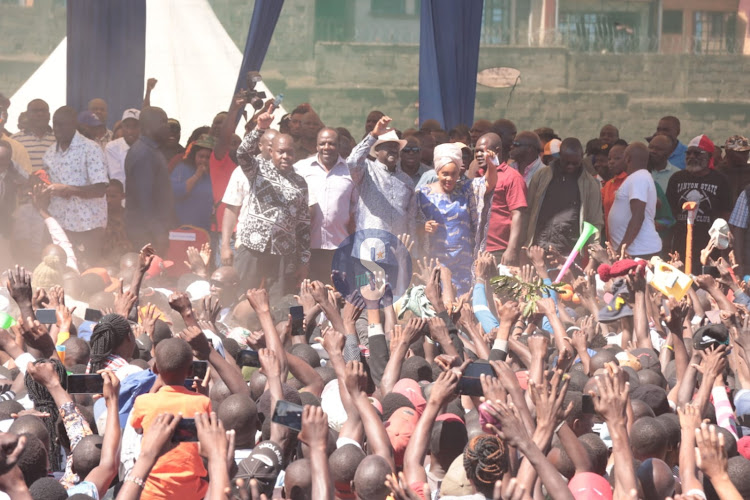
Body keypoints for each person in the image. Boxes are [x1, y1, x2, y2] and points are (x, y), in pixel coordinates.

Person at [221, 105, 310, 300]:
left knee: (279, 299)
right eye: (281, 152)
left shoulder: (300, 182)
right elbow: (242, 153)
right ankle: (238, 329)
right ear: (272, 152)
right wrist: (259, 129)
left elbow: (303, 225)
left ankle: (275, 330)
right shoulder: (257, 169)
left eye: (290, 152)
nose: (286, 156)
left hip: (282, 252)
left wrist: (304, 261)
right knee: (242, 295)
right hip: (252, 246)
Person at [129, 337, 211, 500]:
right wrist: (201, 394)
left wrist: (154, 386)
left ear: (155, 369)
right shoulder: (203, 402)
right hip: (191, 492)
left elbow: (137, 427)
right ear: (190, 371)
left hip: (151, 492)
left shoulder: (144, 401)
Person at [416, 142, 497, 295]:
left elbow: (488, 183)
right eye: (445, 174)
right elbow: (411, 224)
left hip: (463, 261)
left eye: (454, 174)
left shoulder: (466, 189)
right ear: (437, 171)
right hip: (436, 259)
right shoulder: (422, 193)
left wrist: (492, 165)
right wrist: (423, 227)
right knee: (439, 301)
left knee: (463, 303)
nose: (449, 178)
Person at [43, 106, 108, 268]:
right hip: (60, 224)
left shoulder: (90, 149)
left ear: (73, 124)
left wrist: (67, 190)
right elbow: (49, 186)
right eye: (55, 124)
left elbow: (100, 189)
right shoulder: (49, 154)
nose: (57, 129)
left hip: (88, 225)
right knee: (61, 271)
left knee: (89, 271)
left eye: (62, 125)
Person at [294, 127, 356, 282]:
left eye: (331, 143)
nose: (326, 147)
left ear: (338, 146)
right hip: (307, 247)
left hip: (339, 246)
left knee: (337, 294)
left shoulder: (350, 172)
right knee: (308, 294)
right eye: (322, 144)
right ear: (316, 146)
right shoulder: (301, 168)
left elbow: (356, 210)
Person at [525, 137, 603, 253]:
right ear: (559, 156)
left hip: (569, 253)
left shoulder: (591, 185)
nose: (570, 166)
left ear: (581, 158)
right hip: (538, 249)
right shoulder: (541, 176)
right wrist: (523, 245)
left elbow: (595, 221)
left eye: (575, 163)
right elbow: (528, 211)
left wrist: (593, 256)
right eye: (566, 162)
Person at [666, 135, 731, 273]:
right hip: (680, 241)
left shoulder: (720, 180)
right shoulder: (676, 179)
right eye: (688, 153)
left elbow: (726, 214)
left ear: (709, 156)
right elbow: (670, 210)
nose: (691, 157)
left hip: (709, 246)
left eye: (697, 153)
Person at [347, 115, 416, 238]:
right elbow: (352, 161)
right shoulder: (366, 170)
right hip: (370, 247)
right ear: (377, 150)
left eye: (396, 146)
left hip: (398, 249)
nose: (394, 150)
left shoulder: (406, 180)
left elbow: (411, 219)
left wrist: (413, 250)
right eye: (388, 145)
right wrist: (373, 135)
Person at [124, 106, 175, 253]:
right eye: (163, 122)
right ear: (148, 125)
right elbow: (144, 199)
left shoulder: (150, 150)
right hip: (146, 231)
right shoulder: (144, 154)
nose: (168, 127)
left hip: (150, 228)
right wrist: (158, 232)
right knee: (150, 272)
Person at [607, 142, 662, 258]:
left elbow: (638, 216)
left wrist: (622, 248)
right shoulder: (638, 177)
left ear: (627, 158)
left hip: (640, 251)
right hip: (637, 250)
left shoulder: (639, 177)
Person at [481, 133, 527, 266]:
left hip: (500, 250)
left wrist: (511, 249)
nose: (479, 154)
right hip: (479, 248)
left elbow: (518, 214)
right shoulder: (478, 175)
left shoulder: (512, 177)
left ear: (496, 151)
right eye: (476, 151)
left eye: (483, 150)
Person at [171, 134, 215, 232]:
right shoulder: (182, 169)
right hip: (183, 227)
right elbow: (175, 193)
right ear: (194, 155)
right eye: (201, 156)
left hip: (206, 229)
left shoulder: (214, 173)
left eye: (207, 157)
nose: (204, 160)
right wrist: (197, 176)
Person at [11, 99, 55, 172]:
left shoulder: (59, 139)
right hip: (25, 183)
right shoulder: (15, 140)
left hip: (54, 183)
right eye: (35, 111)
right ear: (27, 115)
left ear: (49, 115)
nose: (40, 114)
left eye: (43, 110)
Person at [104, 109, 140, 186]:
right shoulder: (112, 147)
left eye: (135, 126)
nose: (130, 131)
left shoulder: (146, 147)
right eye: (127, 126)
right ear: (122, 127)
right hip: (121, 195)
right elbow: (117, 179)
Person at [601, 143, 627, 237]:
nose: (611, 162)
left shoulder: (632, 180)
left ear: (628, 159)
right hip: (612, 240)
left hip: (629, 241)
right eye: (609, 159)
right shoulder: (609, 184)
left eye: (617, 158)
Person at [719, 135, 750, 202]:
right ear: (729, 153)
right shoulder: (717, 172)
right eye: (742, 152)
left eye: (747, 152)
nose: (746, 155)